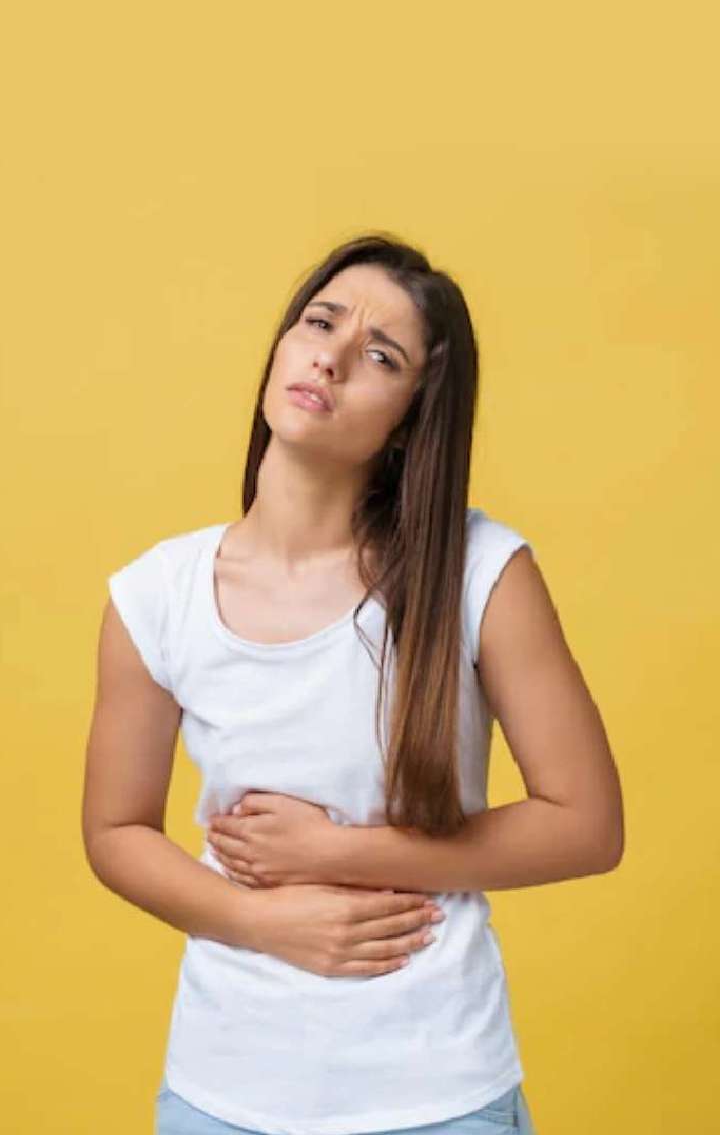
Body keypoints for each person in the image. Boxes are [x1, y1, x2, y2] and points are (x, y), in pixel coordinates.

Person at [82, 232, 623, 1135]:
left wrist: (339, 854)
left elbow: (587, 826)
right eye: (320, 322)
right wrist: (259, 923)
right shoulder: (156, 595)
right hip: (223, 1091)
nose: (329, 358)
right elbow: (114, 831)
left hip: (438, 1090)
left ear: (410, 419)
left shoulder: (480, 572)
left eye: (381, 356)